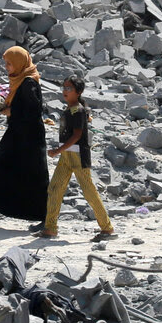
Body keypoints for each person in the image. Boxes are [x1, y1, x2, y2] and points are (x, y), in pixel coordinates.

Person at [0, 46, 48, 228]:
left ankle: (47, 220)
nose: (6, 67)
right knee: (0, 170)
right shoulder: (20, 80)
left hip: (29, 139)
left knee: (33, 179)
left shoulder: (28, 83)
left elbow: (33, 112)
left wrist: (7, 111)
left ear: (20, 63)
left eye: (9, 64)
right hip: (17, 134)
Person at [36, 74, 115, 242]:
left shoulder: (78, 110)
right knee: (55, 189)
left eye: (69, 88)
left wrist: (57, 150)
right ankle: (50, 228)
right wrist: (61, 152)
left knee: (89, 191)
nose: (65, 91)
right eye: (64, 87)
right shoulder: (69, 109)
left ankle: (107, 228)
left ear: (78, 92)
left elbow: (77, 136)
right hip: (67, 156)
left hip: (78, 156)